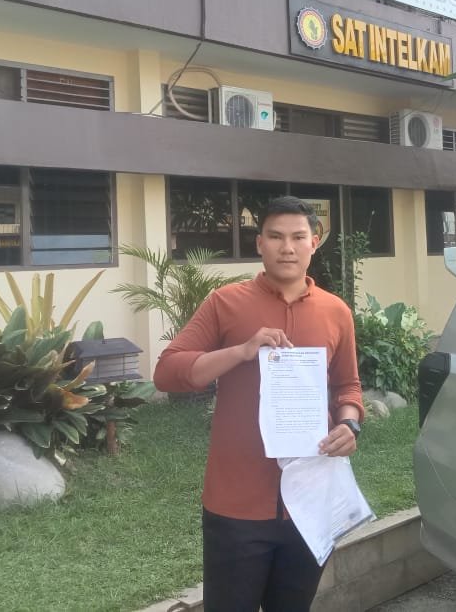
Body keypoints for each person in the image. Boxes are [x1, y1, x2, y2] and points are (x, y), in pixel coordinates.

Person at [153, 195, 364, 612]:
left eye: (298, 237)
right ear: (259, 243)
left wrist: (349, 423)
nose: (287, 247)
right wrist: (241, 351)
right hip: (236, 504)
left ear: (314, 242)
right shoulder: (225, 303)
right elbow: (168, 372)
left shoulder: (336, 312)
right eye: (276, 236)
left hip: (309, 503)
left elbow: (348, 386)